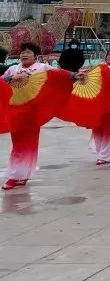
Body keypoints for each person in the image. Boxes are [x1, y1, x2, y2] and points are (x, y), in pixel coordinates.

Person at [2, 43, 53, 190]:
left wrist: (74, 75)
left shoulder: (42, 68)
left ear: (35, 55)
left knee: (30, 143)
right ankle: (16, 175)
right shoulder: (13, 68)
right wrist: (10, 78)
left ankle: (20, 175)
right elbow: (2, 81)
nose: (24, 55)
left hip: (33, 111)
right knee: (18, 143)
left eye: (28, 52)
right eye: (22, 52)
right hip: (16, 109)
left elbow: (59, 75)